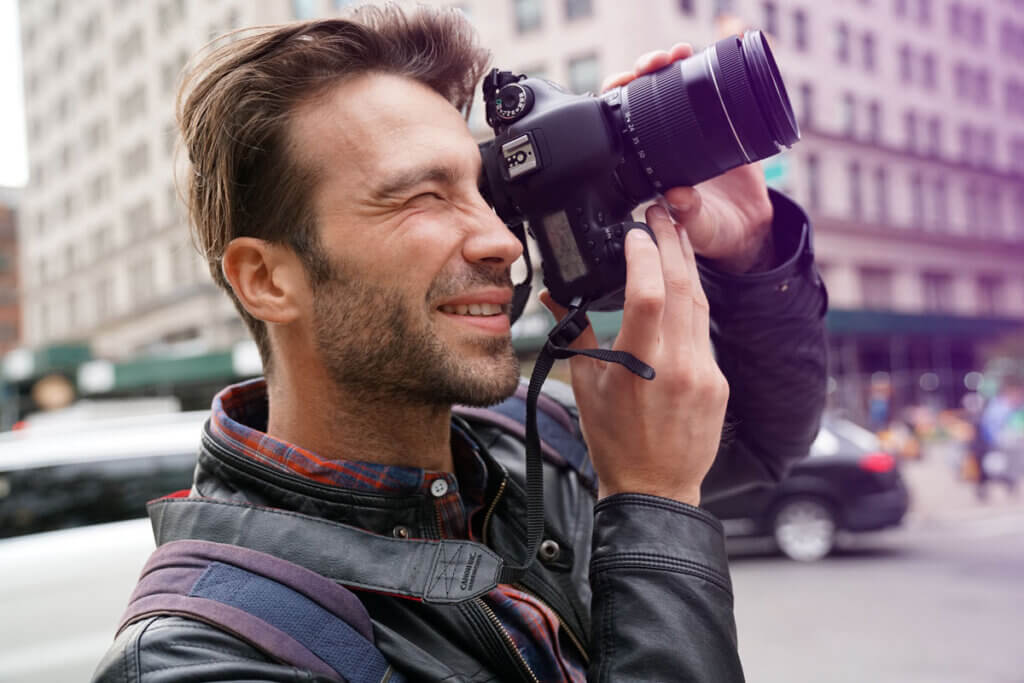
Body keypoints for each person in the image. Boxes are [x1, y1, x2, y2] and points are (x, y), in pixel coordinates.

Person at [93, 6, 827, 682]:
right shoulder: (197, 657)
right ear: (266, 279)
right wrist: (653, 501)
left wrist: (753, 251)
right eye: (422, 196)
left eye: (482, 191)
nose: (503, 241)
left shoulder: (524, 440)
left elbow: (763, 442)